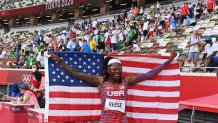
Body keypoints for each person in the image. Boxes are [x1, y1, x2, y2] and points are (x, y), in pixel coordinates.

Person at [49, 50, 176, 123]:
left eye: (119, 69)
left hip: (122, 120)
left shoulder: (126, 81)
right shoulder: (101, 81)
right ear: (108, 70)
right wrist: (59, 60)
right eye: (114, 69)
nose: (117, 72)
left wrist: (168, 61)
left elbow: (149, 74)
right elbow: (76, 73)